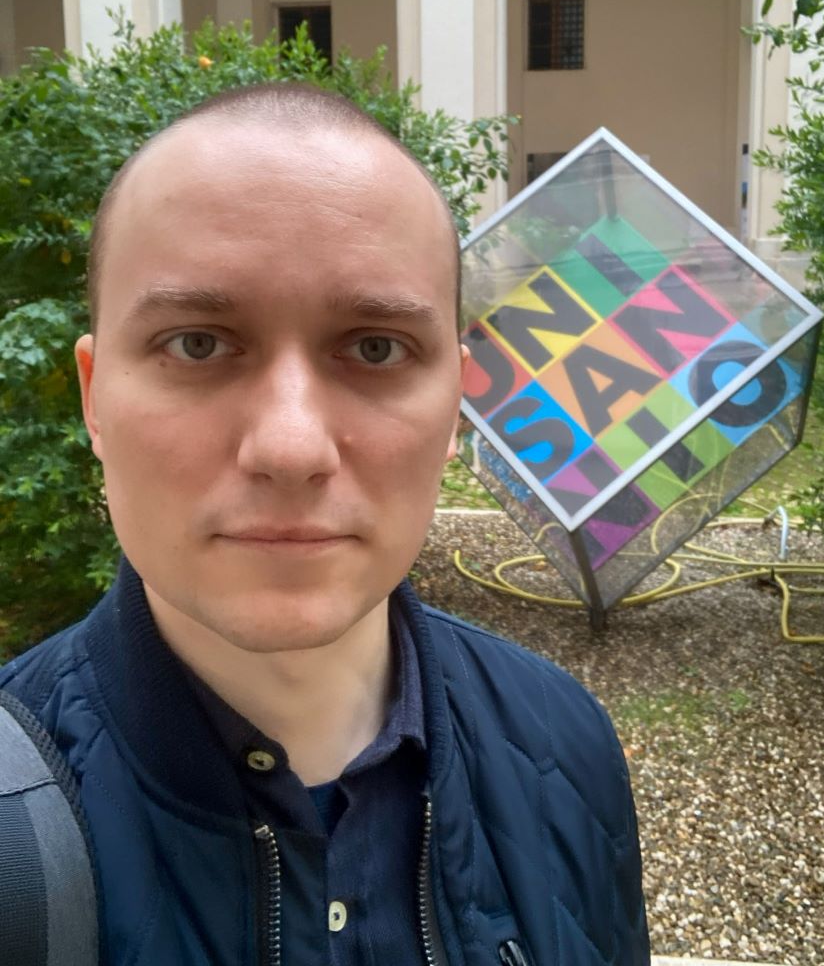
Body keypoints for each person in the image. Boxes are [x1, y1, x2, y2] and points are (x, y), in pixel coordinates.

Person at [0, 83, 650, 965]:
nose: (291, 447)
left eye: (375, 348)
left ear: (457, 407)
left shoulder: (567, 743)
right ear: (94, 399)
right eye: (197, 343)